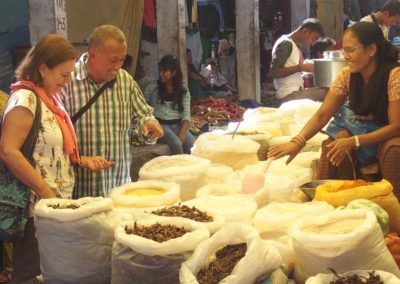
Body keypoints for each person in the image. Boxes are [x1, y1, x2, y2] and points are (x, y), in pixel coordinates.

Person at [0, 34, 113, 283]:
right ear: (42, 68)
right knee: (30, 273)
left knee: (49, 271)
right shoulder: (25, 100)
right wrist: (43, 189)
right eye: (62, 75)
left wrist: (81, 160)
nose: (67, 81)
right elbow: (8, 150)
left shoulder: (48, 98)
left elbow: (48, 149)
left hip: (52, 208)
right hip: (32, 211)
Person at [268, 22, 400, 181]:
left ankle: (393, 203)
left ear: (371, 49)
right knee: (333, 145)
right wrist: (298, 141)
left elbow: (396, 127)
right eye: (344, 50)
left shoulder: (394, 75)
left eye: (351, 50)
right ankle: (333, 198)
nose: (346, 56)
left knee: (393, 151)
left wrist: (354, 141)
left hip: (389, 131)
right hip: (362, 127)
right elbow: (323, 114)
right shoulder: (347, 74)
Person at [61, 25, 164, 198]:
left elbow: (142, 116)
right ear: (93, 55)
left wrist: (148, 126)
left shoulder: (125, 81)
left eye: (122, 60)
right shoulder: (67, 81)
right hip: (79, 189)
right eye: (113, 60)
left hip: (118, 186)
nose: (118, 66)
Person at [267, 18, 328, 106]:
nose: (313, 43)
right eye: (314, 38)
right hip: (288, 96)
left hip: (294, 92)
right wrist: (301, 67)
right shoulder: (286, 43)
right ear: (305, 31)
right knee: (329, 92)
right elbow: (274, 73)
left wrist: (305, 71)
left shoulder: (292, 44)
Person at [143, 55, 195, 154]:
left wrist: (182, 134)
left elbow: (186, 115)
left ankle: (194, 168)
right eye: (160, 70)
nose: (161, 74)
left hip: (177, 125)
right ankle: (180, 168)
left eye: (164, 71)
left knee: (193, 145)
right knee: (176, 144)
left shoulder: (183, 91)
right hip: (159, 125)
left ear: (174, 73)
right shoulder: (152, 88)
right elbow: (143, 108)